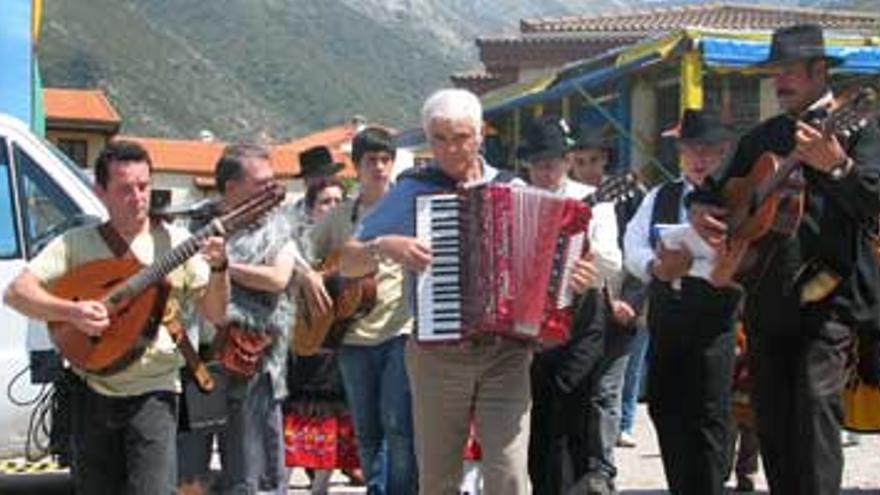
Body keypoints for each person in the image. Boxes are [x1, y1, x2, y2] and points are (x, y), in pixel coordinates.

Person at [338, 88, 599, 495]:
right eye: (439, 138)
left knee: (508, 474)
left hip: (507, 354)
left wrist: (573, 279)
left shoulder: (512, 187)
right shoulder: (413, 191)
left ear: (480, 136)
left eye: (460, 137)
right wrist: (384, 246)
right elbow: (348, 261)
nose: (450, 149)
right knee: (439, 478)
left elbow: (555, 274)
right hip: (438, 357)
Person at [688, 24, 880, 494]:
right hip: (765, 299)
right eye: (775, 72)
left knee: (815, 412)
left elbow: (874, 202)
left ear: (819, 71)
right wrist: (701, 212)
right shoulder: (762, 136)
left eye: (789, 71)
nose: (780, 82)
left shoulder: (859, 130)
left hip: (827, 296)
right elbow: (715, 194)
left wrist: (837, 166)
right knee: (773, 423)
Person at [3, 140, 230, 494]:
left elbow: (215, 312)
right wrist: (71, 312)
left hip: (154, 393)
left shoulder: (176, 242)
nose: (137, 197)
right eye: (125, 189)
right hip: (91, 391)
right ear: (101, 192)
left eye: (143, 186)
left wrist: (220, 268)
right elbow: (16, 292)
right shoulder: (77, 245)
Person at [624, 109, 743, 495]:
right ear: (680, 152)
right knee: (665, 405)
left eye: (709, 150)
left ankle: (709, 485)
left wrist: (699, 268)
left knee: (709, 413)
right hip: (668, 315)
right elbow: (632, 244)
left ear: (724, 151)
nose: (700, 158)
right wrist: (655, 266)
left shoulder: (735, 196)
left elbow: (744, 257)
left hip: (713, 318)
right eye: (692, 149)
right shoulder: (661, 195)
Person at [309, 126, 417, 494]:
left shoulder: (409, 208)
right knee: (367, 430)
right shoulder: (340, 216)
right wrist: (316, 281)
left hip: (400, 332)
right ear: (356, 166)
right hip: (351, 336)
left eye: (386, 160)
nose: (380, 168)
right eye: (372, 160)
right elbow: (305, 252)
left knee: (398, 427)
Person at [518, 116, 619, 495]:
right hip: (529, 321)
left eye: (555, 162)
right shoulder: (516, 197)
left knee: (572, 403)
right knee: (542, 412)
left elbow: (613, 262)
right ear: (528, 165)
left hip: (580, 318)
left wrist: (586, 262)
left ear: (567, 160)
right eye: (539, 164)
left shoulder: (594, 201)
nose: (548, 171)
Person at [212, 143, 304, 495]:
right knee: (192, 473)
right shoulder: (202, 224)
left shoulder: (280, 227)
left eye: (273, 181)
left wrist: (220, 265)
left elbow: (278, 278)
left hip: (253, 360)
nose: (272, 189)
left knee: (256, 469)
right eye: (261, 183)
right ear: (232, 187)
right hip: (200, 358)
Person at [568, 125, 649, 450]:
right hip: (575, 309)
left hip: (620, 302)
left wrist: (629, 301)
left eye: (594, 161)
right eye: (580, 162)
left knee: (613, 385)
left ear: (605, 162)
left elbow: (640, 253)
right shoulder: (559, 197)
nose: (588, 169)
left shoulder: (626, 201)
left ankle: (609, 454)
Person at [284, 177, 361, 495]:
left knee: (334, 420)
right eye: (325, 202)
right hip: (302, 340)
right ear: (311, 207)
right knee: (296, 417)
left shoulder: (351, 244)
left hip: (339, 344)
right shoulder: (296, 244)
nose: (332, 208)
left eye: (337, 201)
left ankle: (321, 487)